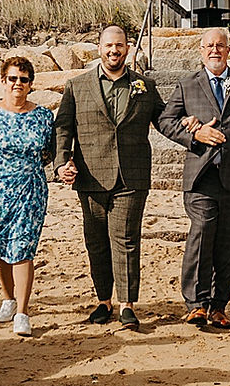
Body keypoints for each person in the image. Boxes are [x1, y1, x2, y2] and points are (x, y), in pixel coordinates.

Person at [54, 24, 170, 329]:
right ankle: (103, 300)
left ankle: (127, 304)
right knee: (96, 241)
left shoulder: (145, 86)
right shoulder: (77, 86)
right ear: (99, 47)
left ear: (128, 48)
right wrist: (61, 161)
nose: (114, 51)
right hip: (90, 176)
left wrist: (192, 128)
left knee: (126, 239)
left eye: (119, 46)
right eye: (108, 46)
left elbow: (165, 120)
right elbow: (63, 128)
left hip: (131, 176)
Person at [158, 27, 230, 331]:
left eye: (220, 45)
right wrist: (195, 133)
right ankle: (196, 304)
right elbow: (165, 121)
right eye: (208, 46)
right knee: (203, 230)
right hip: (201, 178)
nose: (214, 50)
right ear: (200, 50)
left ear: (228, 50)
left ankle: (219, 305)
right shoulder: (187, 85)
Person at [0, 54, 55, 336]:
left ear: (30, 84)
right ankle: (8, 298)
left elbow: (49, 153)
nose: (18, 83)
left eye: (24, 80)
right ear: (3, 81)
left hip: (30, 191)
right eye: (13, 78)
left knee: (22, 249)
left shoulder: (42, 116)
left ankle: (23, 313)